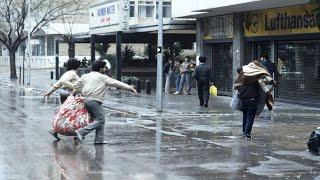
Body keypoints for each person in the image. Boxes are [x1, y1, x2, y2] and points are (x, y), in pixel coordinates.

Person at [73, 60, 137, 145]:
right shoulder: (102, 77)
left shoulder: (85, 76)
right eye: (104, 67)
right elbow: (116, 83)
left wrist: (83, 92)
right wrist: (130, 88)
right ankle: (81, 132)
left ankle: (99, 140)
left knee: (99, 119)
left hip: (85, 99)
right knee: (101, 120)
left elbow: (76, 86)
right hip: (94, 100)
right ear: (100, 68)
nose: (105, 69)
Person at [44, 59, 81, 140]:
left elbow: (58, 84)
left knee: (65, 114)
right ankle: (77, 133)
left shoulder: (67, 73)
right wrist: (74, 87)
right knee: (75, 115)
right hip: (71, 96)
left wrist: (49, 92)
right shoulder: (72, 73)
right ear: (76, 66)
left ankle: (55, 130)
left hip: (65, 96)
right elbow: (64, 81)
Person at [235, 67, 260, 139]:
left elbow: (236, 87)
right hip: (252, 99)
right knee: (250, 116)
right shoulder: (254, 78)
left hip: (243, 100)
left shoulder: (239, 79)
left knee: (245, 115)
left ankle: (244, 131)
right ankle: (247, 133)